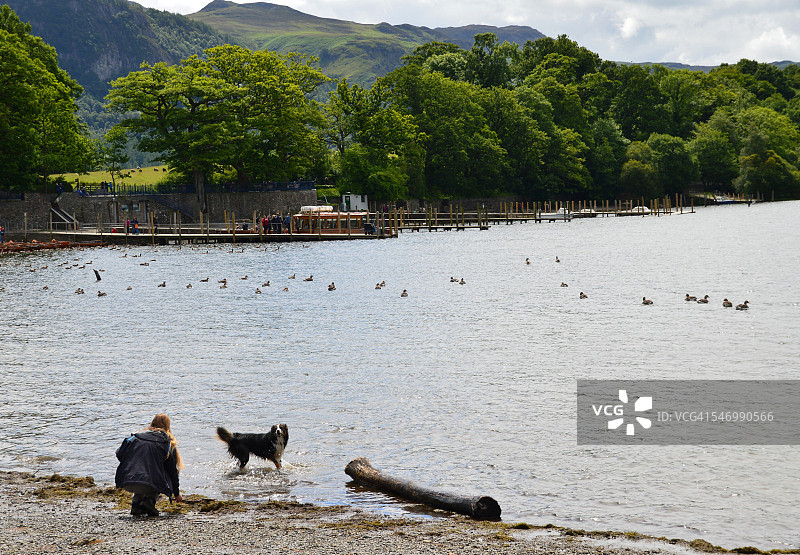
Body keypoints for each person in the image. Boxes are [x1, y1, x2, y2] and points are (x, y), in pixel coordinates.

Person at [115, 413, 183, 516]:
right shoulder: (167, 443)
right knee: (160, 470)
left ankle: (136, 504)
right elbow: (172, 471)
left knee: (142, 467)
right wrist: (176, 494)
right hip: (149, 485)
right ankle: (149, 501)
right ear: (168, 426)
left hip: (127, 482)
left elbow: (119, 454)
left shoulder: (135, 438)